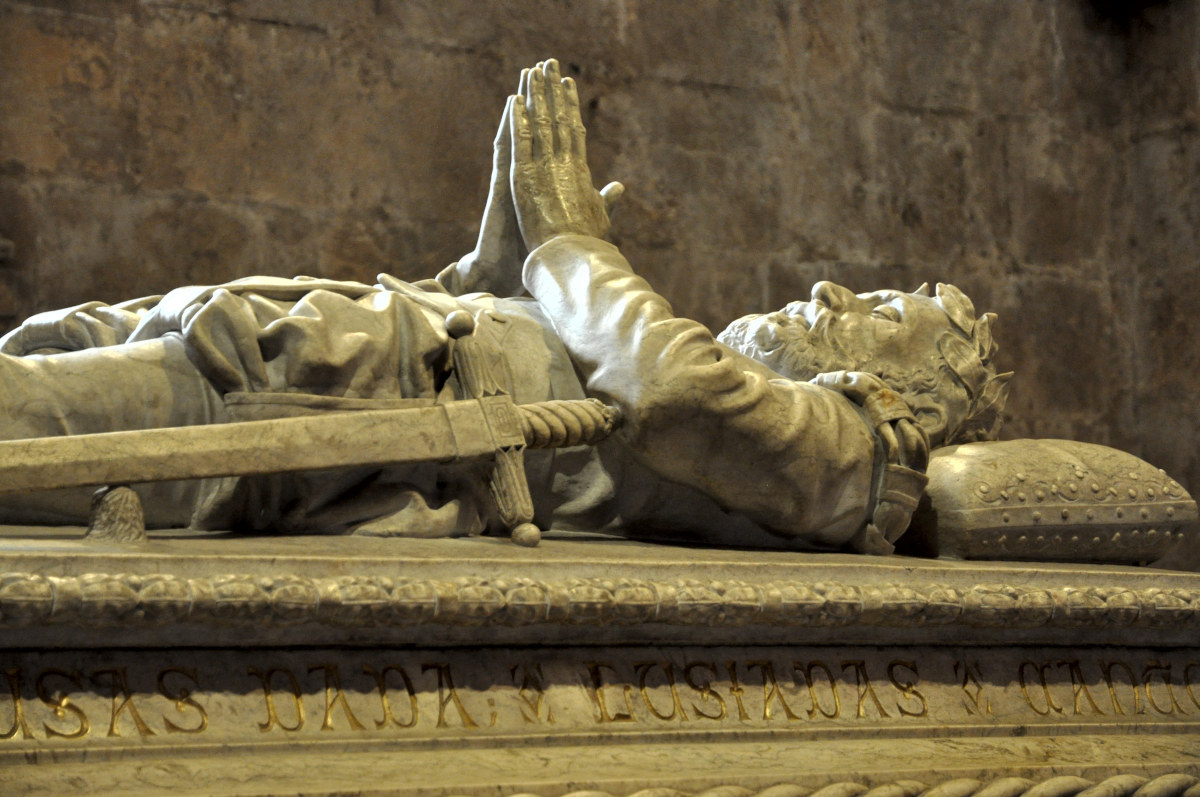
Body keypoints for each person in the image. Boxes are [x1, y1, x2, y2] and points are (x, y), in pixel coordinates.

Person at [0, 61, 1010, 554]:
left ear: (909, 394)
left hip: (329, 417)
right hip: (321, 360)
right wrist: (500, 267)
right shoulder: (656, 332)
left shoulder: (857, 457)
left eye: (882, 310)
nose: (832, 291)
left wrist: (572, 241)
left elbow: (671, 395)